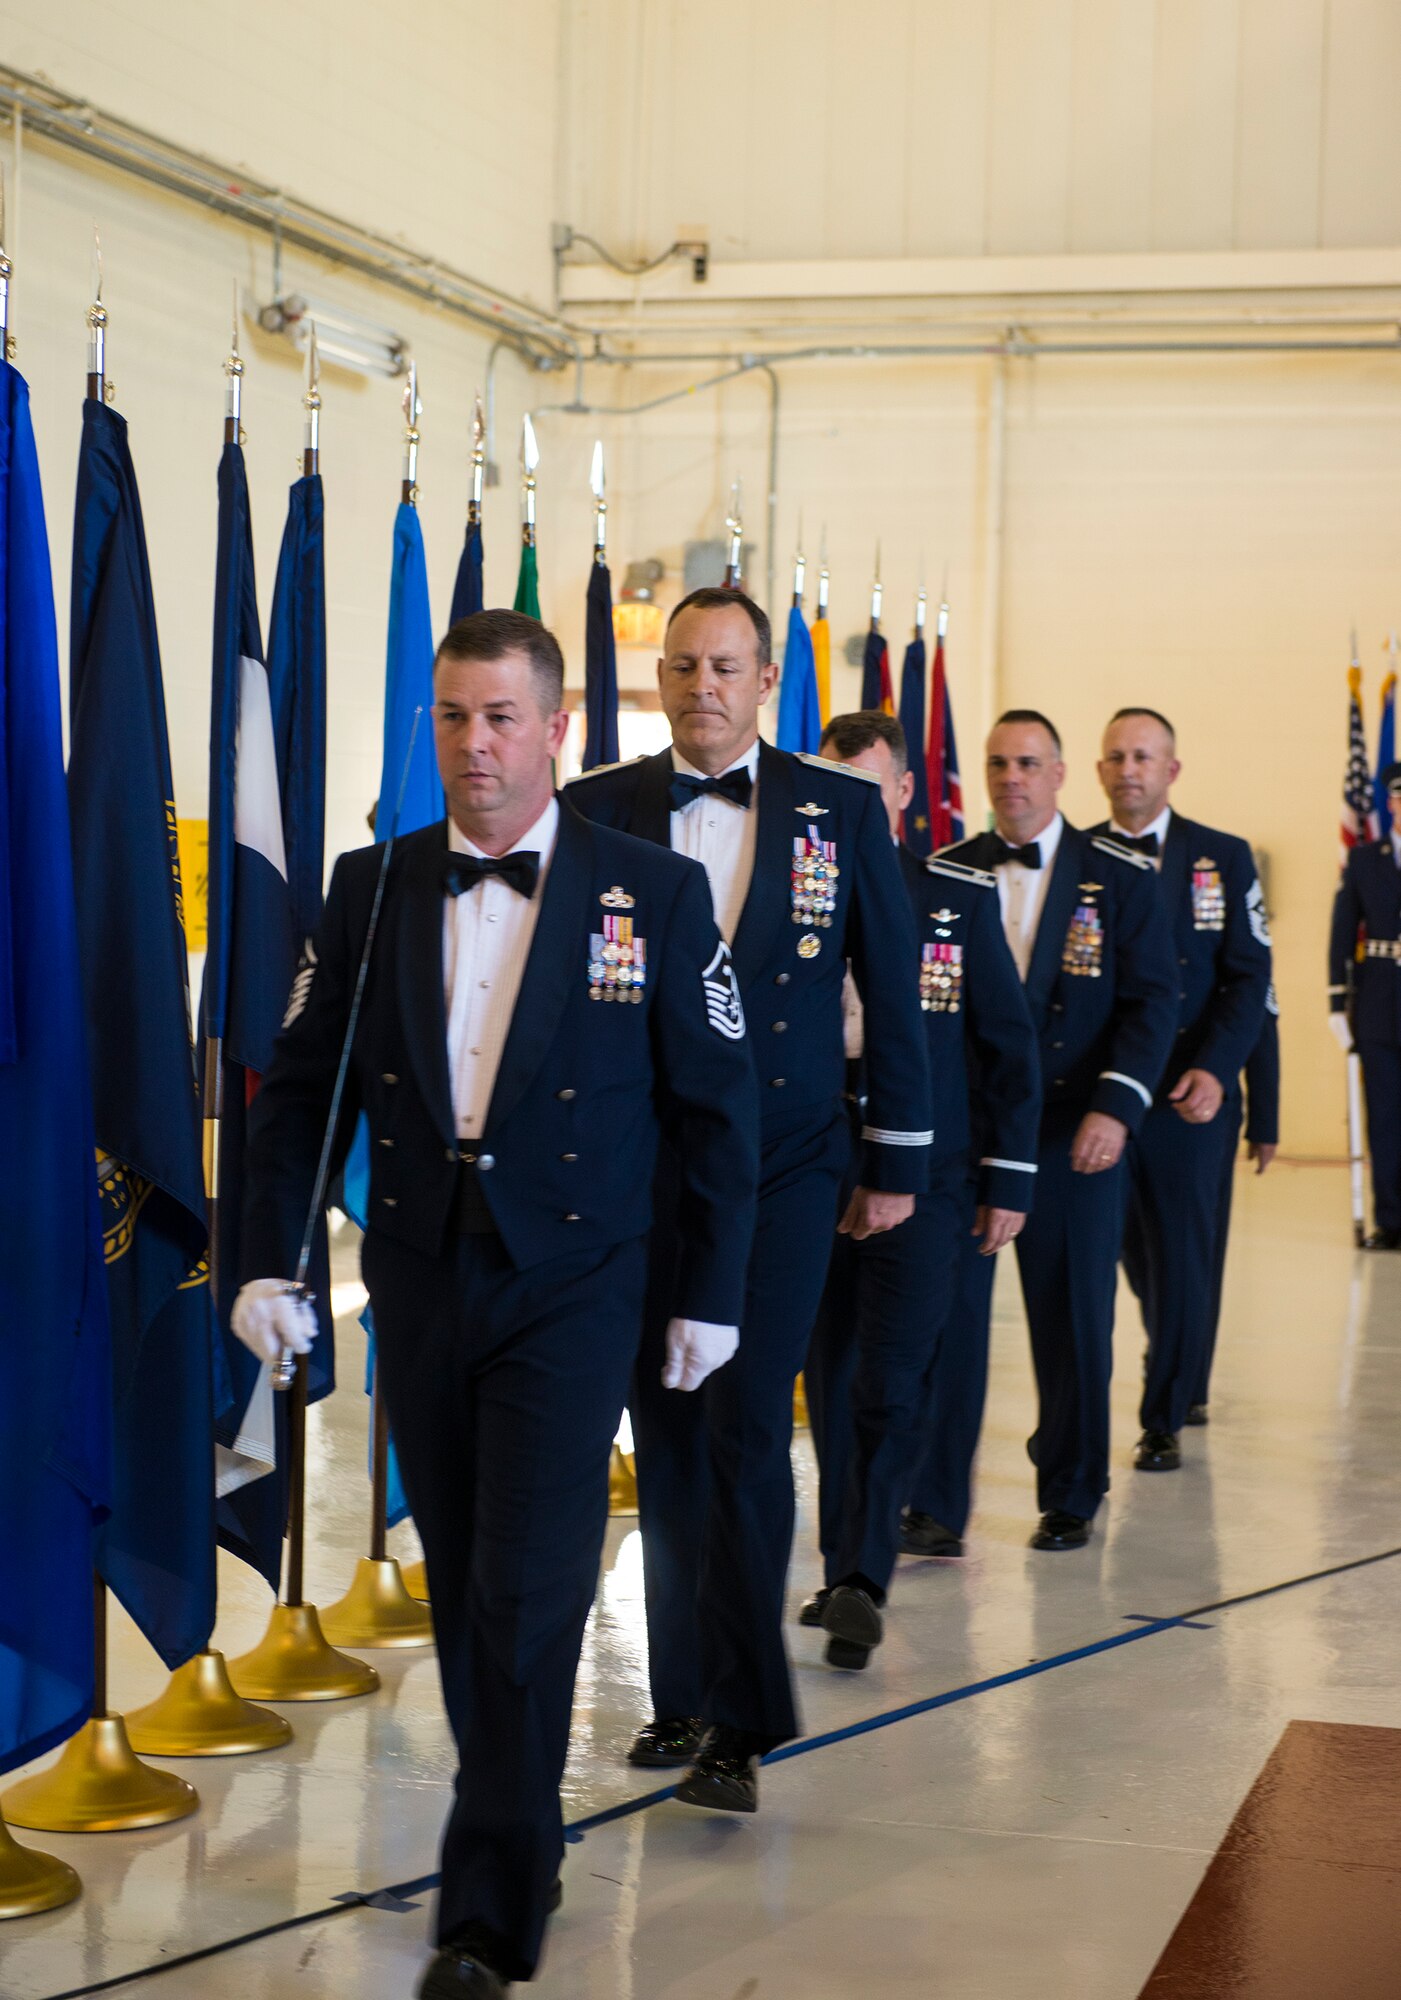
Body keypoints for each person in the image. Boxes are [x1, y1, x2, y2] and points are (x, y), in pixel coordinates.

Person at [230, 610, 759, 2000]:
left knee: (528, 1584)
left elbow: (716, 1110)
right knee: (466, 1583)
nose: (478, 746)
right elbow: (302, 1095)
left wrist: (711, 1292)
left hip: (579, 1279)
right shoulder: (371, 887)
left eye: (505, 718)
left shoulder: (650, 889)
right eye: (455, 718)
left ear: (558, 728)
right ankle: (520, 1815)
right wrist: (263, 1259)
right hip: (416, 1272)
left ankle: (487, 1909)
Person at [567, 588, 930, 1807]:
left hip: (784, 1163)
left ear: (767, 678)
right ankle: (679, 1693)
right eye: (680, 665)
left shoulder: (837, 809)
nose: (701, 685)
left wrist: (896, 1159)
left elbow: (892, 984)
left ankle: (738, 1712)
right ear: (656, 678)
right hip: (644, 1170)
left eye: (725, 665)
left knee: (740, 1425)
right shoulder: (596, 807)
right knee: (663, 1425)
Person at [802, 710, 1040, 1669]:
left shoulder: (952, 899)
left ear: (902, 795)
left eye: (870, 788)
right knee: (826, 1382)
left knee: (891, 1382)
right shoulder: (787, 901)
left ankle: (863, 1576)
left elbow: (1005, 1046)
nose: (853, 806)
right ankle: (836, 1567)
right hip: (811, 1181)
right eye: (834, 789)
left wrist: (1007, 1181)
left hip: (931, 1184)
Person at [938, 710, 1177, 1550]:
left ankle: (1071, 1490)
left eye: (1028, 763)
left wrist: (1117, 1106)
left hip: (1076, 1129)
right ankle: (935, 1503)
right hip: (968, 1134)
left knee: (1074, 1317)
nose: (1011, 778)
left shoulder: (1116, 876)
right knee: (949, 1321)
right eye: (998, 764)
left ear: (1059, 773)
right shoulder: (948, 871)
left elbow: (1153, 1002)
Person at [1091, 708, 1271, 1468]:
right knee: (1133, 1253)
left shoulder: (1220, 858)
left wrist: (1219, 1069)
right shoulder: (1076, 856)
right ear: (1098, 770)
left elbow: (1248, 977)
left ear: (1171, 770)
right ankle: (1172, 1347)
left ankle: (1163, 1411)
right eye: (1116, 756)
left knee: (1184, 1255)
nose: (1129, 768)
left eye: (1144, 756)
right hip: (1107, 1098)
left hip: (1189, 1094)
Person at [1193, 992, 1280, 1420]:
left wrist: (1266, 1120)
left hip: (1204, 1109)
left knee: (1196, 1258)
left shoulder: (1237, 922)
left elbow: (1259, 1012)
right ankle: (1169, 1332)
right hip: (1112, 1100)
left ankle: (1187, 1380)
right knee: (1133, 1253)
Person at [1330, 764, 1401, 1248]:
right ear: (1390, 803)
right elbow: (1340, 934)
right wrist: (1338, 1002)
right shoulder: (1363, 861)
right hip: (1379, 1004)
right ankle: (1392, 1221)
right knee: (1385, 1117)